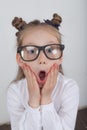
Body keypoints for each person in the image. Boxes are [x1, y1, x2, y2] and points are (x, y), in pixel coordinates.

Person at [7, 13, 79, 130]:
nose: (42, 60)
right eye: (31, 51)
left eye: (50, 49)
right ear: (20, 60)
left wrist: (46, 100)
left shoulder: (69, 87)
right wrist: (33, 102)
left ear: (60, 57)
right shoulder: (15, 91)